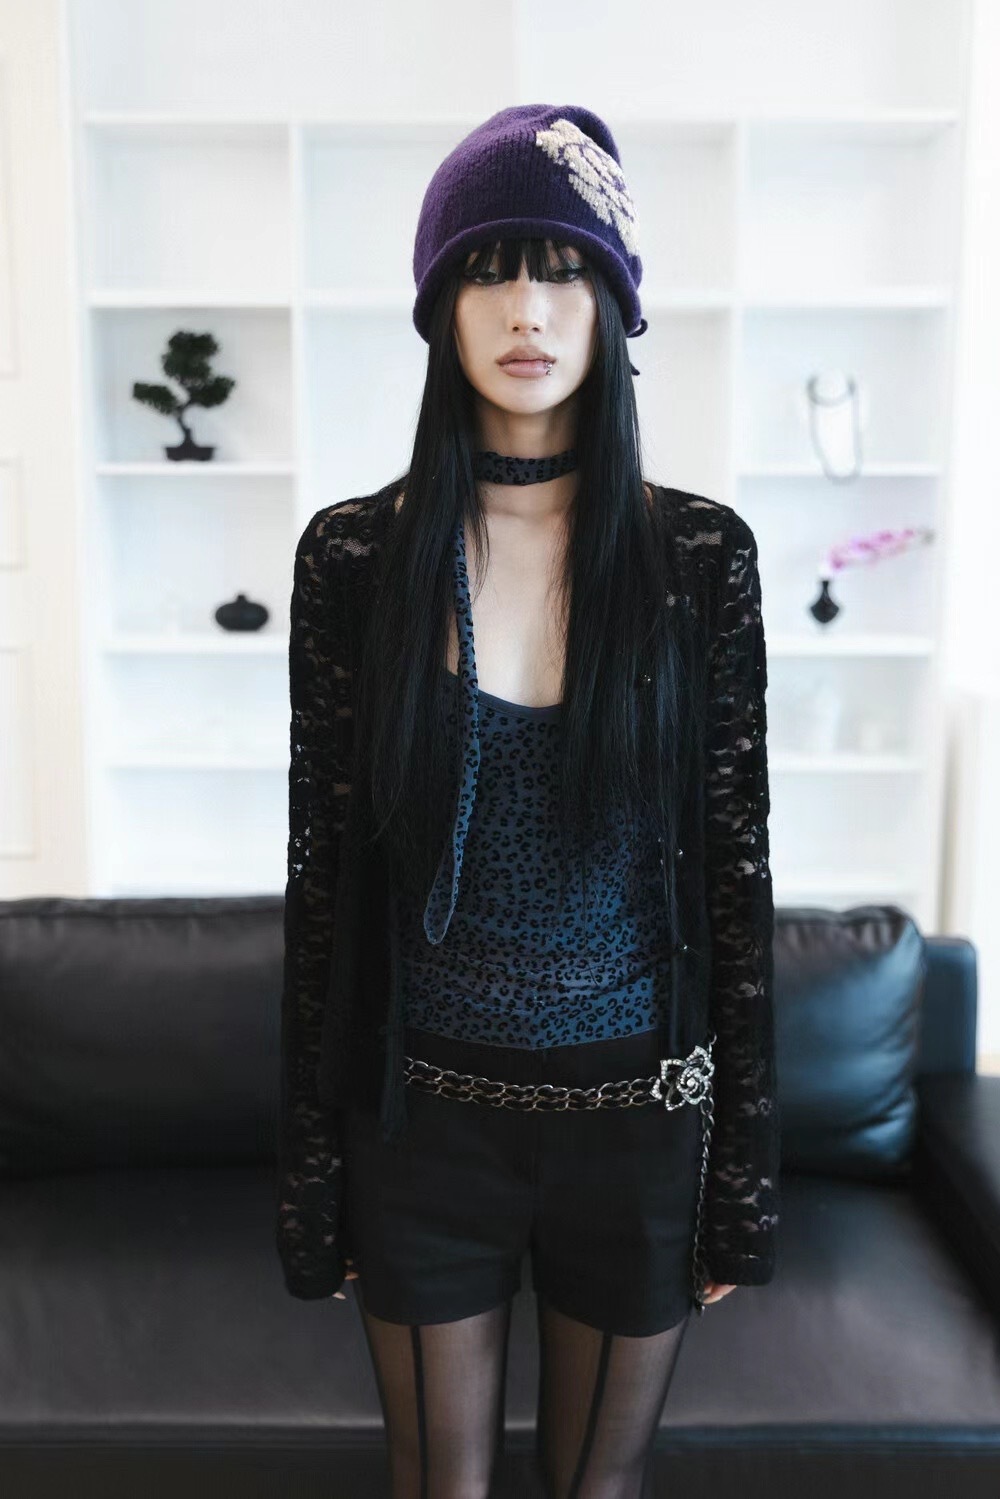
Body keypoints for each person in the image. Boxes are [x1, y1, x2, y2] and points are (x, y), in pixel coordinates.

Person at [276, 103, 780, 1499]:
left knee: (594, 1491)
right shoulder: (356, 559)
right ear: (439, 308)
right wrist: (312, 1173)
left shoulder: (696, 559)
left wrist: (743, 1173)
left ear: (612, 306)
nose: (527, 310)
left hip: (639, 1120)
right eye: (488, 272)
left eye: (563, 271)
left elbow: (735, 871)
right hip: (421, 1121)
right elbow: (324, 878)